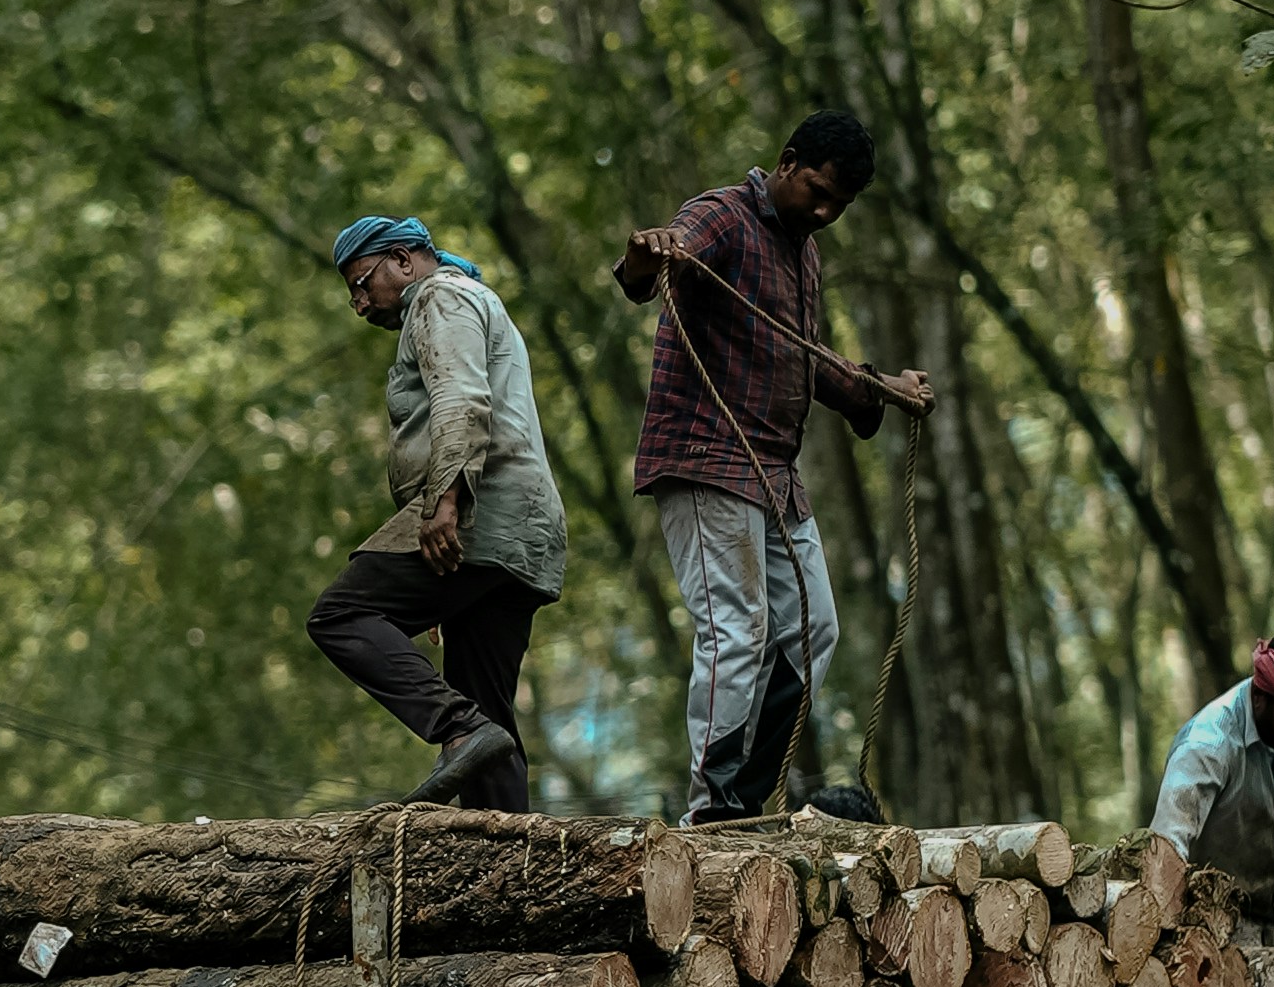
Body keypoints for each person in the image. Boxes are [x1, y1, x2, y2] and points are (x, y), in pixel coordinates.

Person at [614, 108, 930, 824]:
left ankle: (746, 798)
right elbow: (656, 262)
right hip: (708, 459)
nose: (824, 212)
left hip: (776, 477)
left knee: (815, 629)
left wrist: (883, 390)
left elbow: (807, 358)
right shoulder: (722, 215)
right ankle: (712, 809)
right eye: (817, 191)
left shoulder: (804, 254)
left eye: (838, 205)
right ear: (787, 162)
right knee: (736, 628)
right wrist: (646, 255)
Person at [306, 212, 572, 813]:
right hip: (524, 537)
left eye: (361, 282)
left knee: (340, 616)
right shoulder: (471, 300)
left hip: (483, 511)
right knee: (490, 715)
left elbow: (460, 397)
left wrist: (445, 504)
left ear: (403, 260)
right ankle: (506, 855)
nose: (359, 303)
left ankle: (455, 728)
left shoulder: (439, 297)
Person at [1154, 626, 1274, 916]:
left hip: (1267, 921)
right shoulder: (1206, 747)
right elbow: (1166, 847)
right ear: (1260, 695)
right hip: (1204, 924)